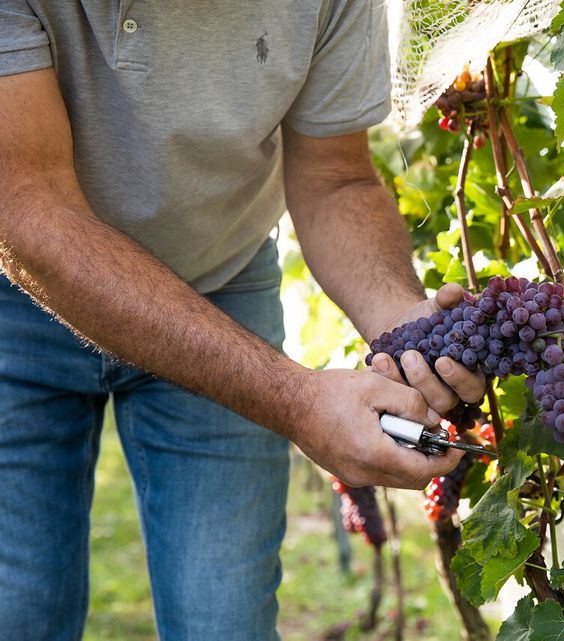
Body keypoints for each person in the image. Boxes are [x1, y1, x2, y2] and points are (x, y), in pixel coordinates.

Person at [0, 2, 484, 640]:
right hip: (16, 295)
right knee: (19, 609)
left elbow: (336, 179)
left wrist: (405, 330)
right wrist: (297, 399)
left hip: (220, 285)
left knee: (224, 620)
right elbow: (28, 204)